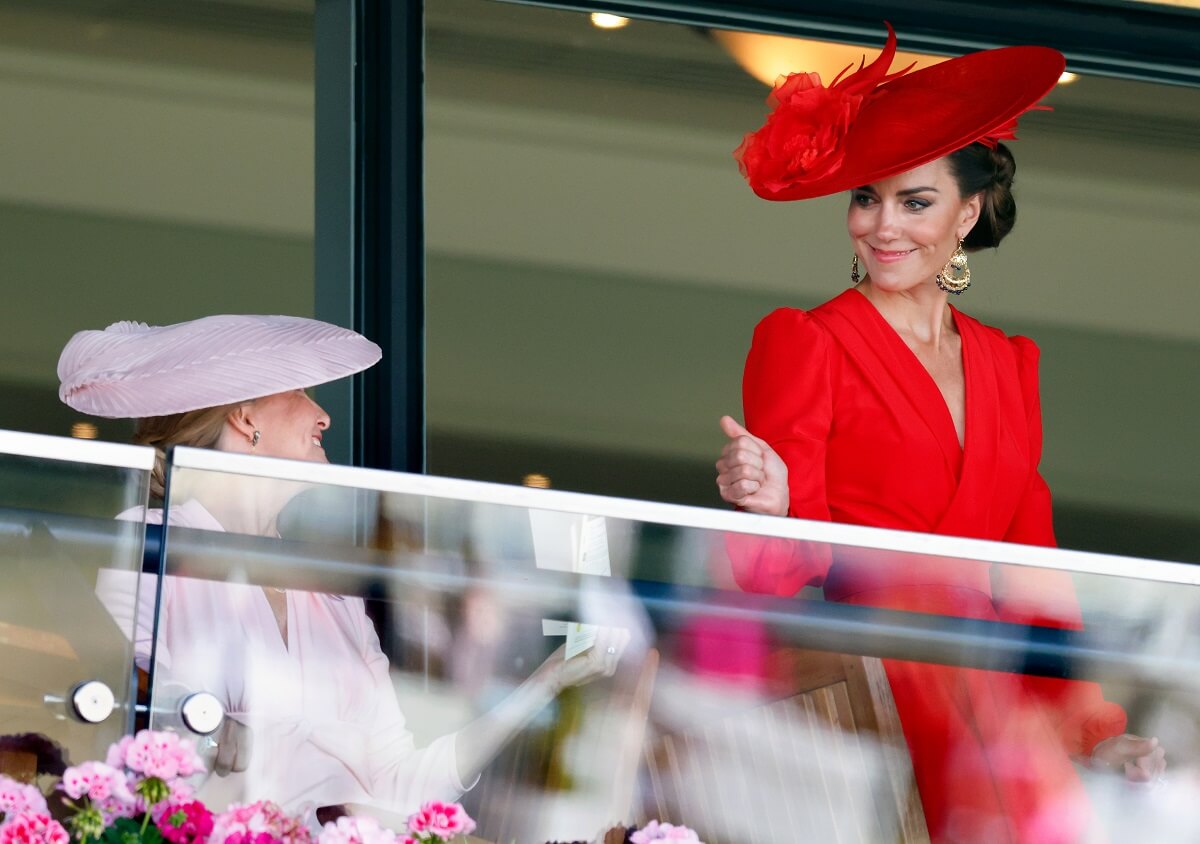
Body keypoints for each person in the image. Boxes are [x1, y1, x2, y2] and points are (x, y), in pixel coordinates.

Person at [714, 26, 1165, 843]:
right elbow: (777, 575)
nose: (882, 227)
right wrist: (770, 508)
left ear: (969, 212)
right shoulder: (803, 339)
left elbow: (1035, 573)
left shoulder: (1010, 363)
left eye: (914, 201)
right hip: (870, 684)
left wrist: (1092, 729)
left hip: (989, 695)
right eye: (866, 198)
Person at [58, 314, 628, 823]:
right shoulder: (153, 540)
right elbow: (136, 722)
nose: (323, 415)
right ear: (244, 415)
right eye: (302, 392)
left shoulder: (328, 595)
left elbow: (401, 786)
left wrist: (544, 682)